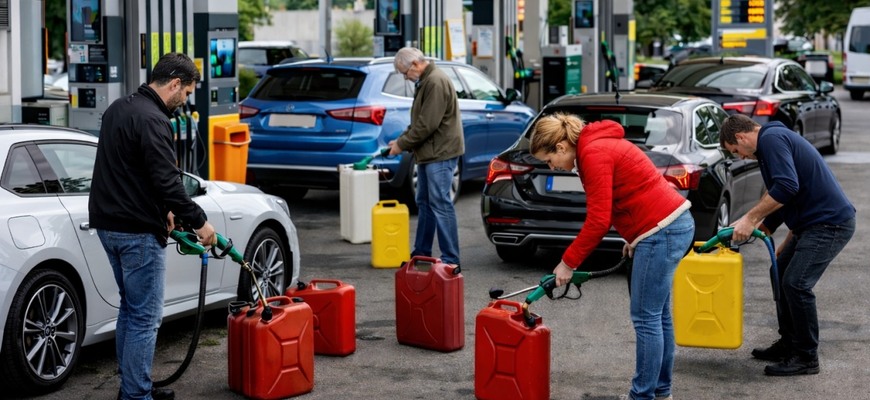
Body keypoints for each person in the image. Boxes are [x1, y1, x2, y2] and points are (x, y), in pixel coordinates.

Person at [530, 113, 693, 400]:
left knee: (646, 319)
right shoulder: (596, 146)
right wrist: (633, 237)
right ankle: (660, 391)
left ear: (561, 147)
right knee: (658, 317)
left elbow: (598, 220)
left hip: (661, 231)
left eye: (548, 160)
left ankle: (642, 396)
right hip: (667, 226)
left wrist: (568, 262)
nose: (552, 166)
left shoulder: (592, 153)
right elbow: (629, 191)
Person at [89, 53, 216, 400]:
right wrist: (200, 223)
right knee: (145, 318)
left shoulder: (120, 108)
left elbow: (128, 169)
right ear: (174, 84)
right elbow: (168, 181)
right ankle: (137, 396)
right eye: (187, 92)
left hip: (108, 225)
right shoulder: (154, 120)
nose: (186, 99)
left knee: (130, 310)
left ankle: (133, 388)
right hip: (136, 233)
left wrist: (165, 211)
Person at [720, 114, 855, 376]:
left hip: (830, 224)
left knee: (796, 283)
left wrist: (750, 218)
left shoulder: (771, 140)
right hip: (810, 225)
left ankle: (806, 357)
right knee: (779, 271)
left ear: (740, 137)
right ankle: (789, 343)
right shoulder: (771, 142)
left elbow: (786, 186)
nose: (742, 157)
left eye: (736, 151)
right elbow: (783, 198)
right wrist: (767, 230)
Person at [387, 47, 464, 269]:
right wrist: (400, 140)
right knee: (426, 202)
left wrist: (402, 144)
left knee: (439, 202)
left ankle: (451, 258)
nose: (405, 77)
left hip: (439, 152)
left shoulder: (434, 82)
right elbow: (420, 120)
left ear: (415, 65)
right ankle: (421, 252)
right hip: (430, 152)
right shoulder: (427, 81)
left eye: (404, 72)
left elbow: (427, 124)